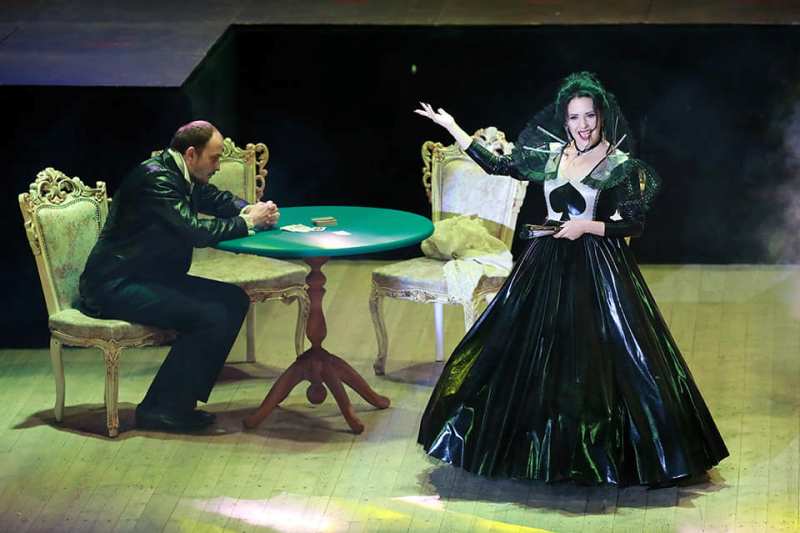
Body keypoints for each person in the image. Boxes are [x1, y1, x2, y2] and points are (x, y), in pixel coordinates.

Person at [414, 72, 728, 486]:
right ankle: (539, 454)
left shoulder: (618, 165)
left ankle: (603, 459)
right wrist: (453, 127)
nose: (583, 125)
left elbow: (634, 224)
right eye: (575, 117)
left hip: (598, 267)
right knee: (525, 352)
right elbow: (499, 166)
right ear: (565, 120)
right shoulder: (552, 157)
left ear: (602, 117)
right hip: (546, 263)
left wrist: (586, 227)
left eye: (590, 116)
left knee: (603, 359)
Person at [79, 120, 279, 432]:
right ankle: (160, 410)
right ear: (191, 154)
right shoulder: (156, 179)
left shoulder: (181, 173)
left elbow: (216, 199)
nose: (217, 166)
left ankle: (176, 404)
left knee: (234, 299)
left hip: (148, 278)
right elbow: (194, 231)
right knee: (210, 315)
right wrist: (248, 223)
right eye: (214, 158)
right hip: (115, 285)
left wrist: (251, 209)